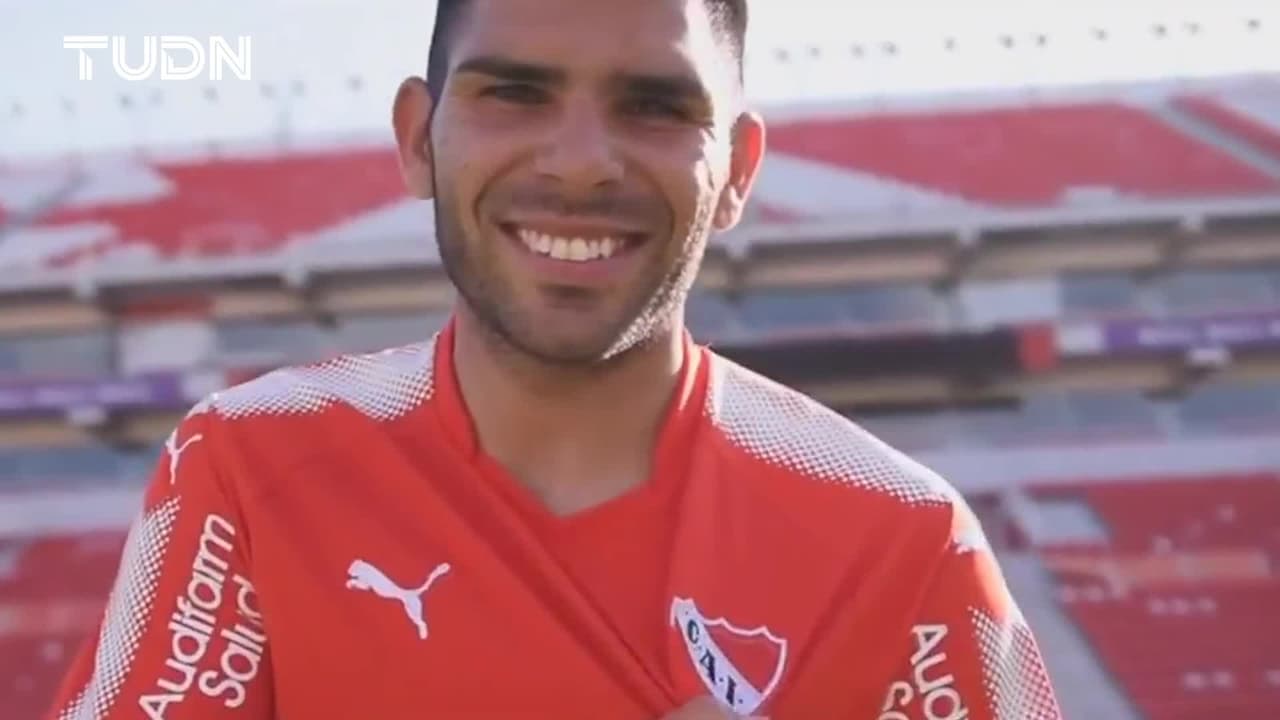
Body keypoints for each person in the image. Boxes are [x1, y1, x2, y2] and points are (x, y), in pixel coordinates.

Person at [49, 0, 1064, 717]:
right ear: (418, 140)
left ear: (737, 170)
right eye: (515, 93)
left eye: (655, 106)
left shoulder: (905, 541)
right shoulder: (249, 463)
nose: (580, 163)